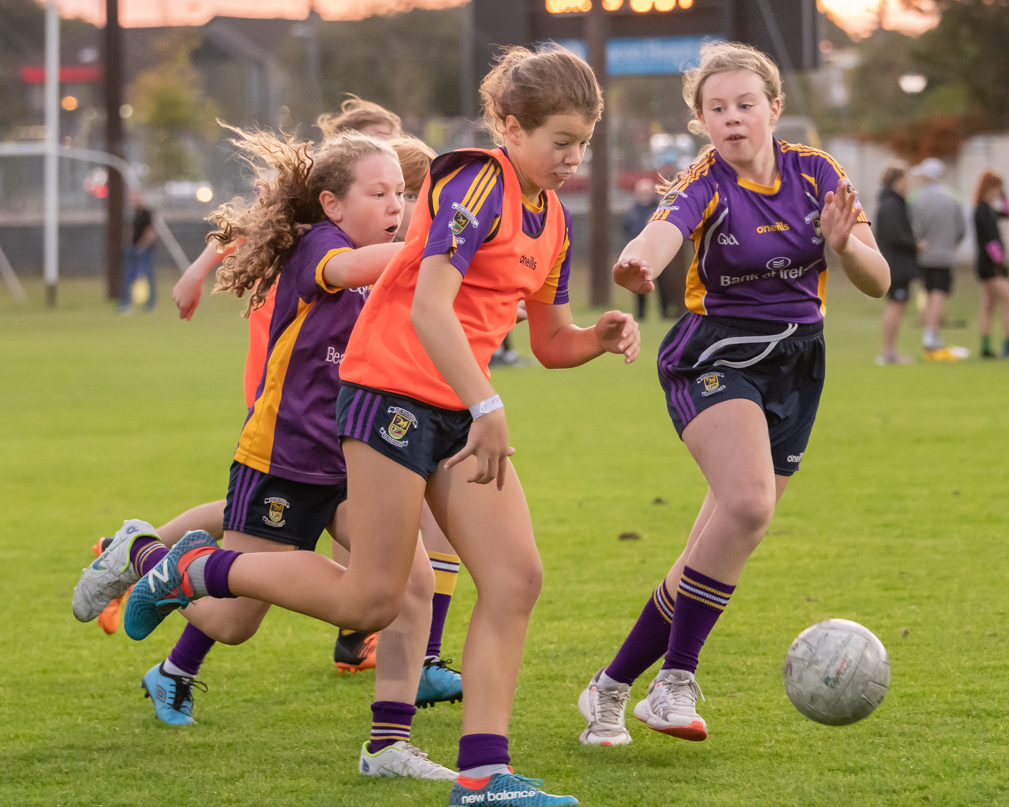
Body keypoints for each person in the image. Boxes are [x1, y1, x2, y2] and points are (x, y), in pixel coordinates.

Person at [123, 45, 639, 807]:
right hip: (389, 392)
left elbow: (548, 340)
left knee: (515, 577)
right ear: (508, 125)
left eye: (583, 143)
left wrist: (595, 339)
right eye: (560, 141)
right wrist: (489, 407)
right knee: (371, 599)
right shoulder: (473, 181)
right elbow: (430, 305)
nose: (572, 158)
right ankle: (193, 570)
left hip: (456, 407)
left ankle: (482, 775)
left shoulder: (552, 218)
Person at [76, 127, 459, 780]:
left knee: (413, 583)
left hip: (351, 456)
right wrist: (441, 246)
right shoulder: (325, 247)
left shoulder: (383, 261)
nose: (397, 204)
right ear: (332, 203)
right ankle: (147, 552)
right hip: (282, 456)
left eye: (402, 192)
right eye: (380, 192)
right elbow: (361, 269)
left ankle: (387, 745)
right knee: (230, 622)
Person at [576, 40, 888, 748]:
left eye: (745, 104)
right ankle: (675, 678)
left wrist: (844, 247)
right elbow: (665, 230)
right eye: (716, 109)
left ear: (773, 109)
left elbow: (878, 280)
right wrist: (636, 262)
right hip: (715, 354)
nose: (732, 118)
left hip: (796, 364)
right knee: (749, 503)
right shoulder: (705, 181)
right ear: (702, 122)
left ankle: (610, 686)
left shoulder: (816, 172)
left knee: (713, 545)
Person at [909, 157, 966, 355]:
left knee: (931, 293)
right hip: (945, 255)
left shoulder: (916, 198)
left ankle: (932, 332)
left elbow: (912, 227)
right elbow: (961, 229)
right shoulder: (954, 197)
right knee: (939, 294)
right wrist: (949, 244)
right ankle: (931, 333)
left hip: (924, 256)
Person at [874, 161, 919, 365]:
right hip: (896, 264)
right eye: (905, 179)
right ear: (898, 181)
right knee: (895, 304)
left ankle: (890, 351)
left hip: (898, 263)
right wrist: (915, 243)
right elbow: (894, 235)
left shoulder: (893, 202)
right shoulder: (891, 204)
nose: (908, 183)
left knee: (899, 305)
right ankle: (888, 352)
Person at [624, 176, 674, 320]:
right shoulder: (632, 211)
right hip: (638, 254)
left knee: (663, 285)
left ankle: (665, 313)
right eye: (642, 193)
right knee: (639, 285)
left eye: (647, 192)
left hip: (658, 253)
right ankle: (641, 314)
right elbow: (626, 228)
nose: (645, 196)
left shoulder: (659, 209)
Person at [972, 171, 1009, 359]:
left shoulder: (987, 209)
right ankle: (1007, 345)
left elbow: (1008, 212)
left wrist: (1004, 197)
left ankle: (986, 346)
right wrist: (1000, 262)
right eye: (997, 188)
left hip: (986, 264)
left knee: (989, 304)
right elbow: (991, 241)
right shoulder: (983, 210)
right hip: (991, 265)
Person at [119, 190, 159, 314]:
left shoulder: (147, 213)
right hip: (131, 249)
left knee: (148, 276)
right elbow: (129, 230)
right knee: (127, 276)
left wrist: (142, 246)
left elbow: (151, 232)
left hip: (144, 250)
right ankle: (125, 304)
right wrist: (128, 245)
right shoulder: (132, 213)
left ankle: (150, 305)